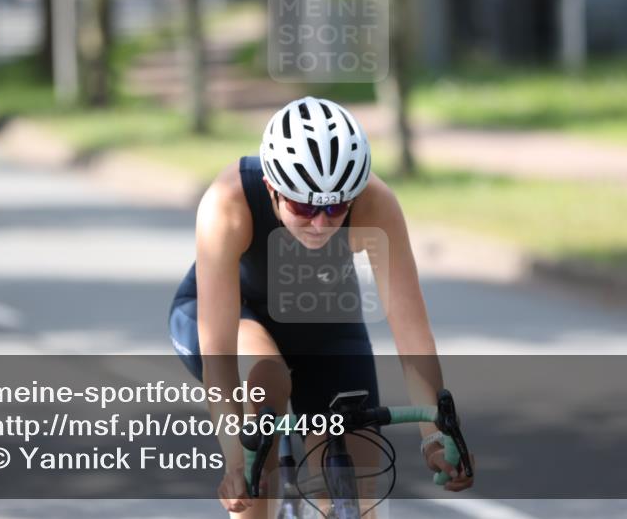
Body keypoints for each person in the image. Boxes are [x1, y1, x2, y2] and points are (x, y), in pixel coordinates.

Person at [168, 97, 474, 516]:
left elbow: (412, 334)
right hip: (238, 318)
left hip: (325, 324)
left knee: (362, 495)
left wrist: (435, 437)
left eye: (334, 207)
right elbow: (220, 356)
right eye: (304, 207)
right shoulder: (227, 203)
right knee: (266, 391)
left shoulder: (375, 203)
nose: (321, 223)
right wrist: (237, 462)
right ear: (273, 189)